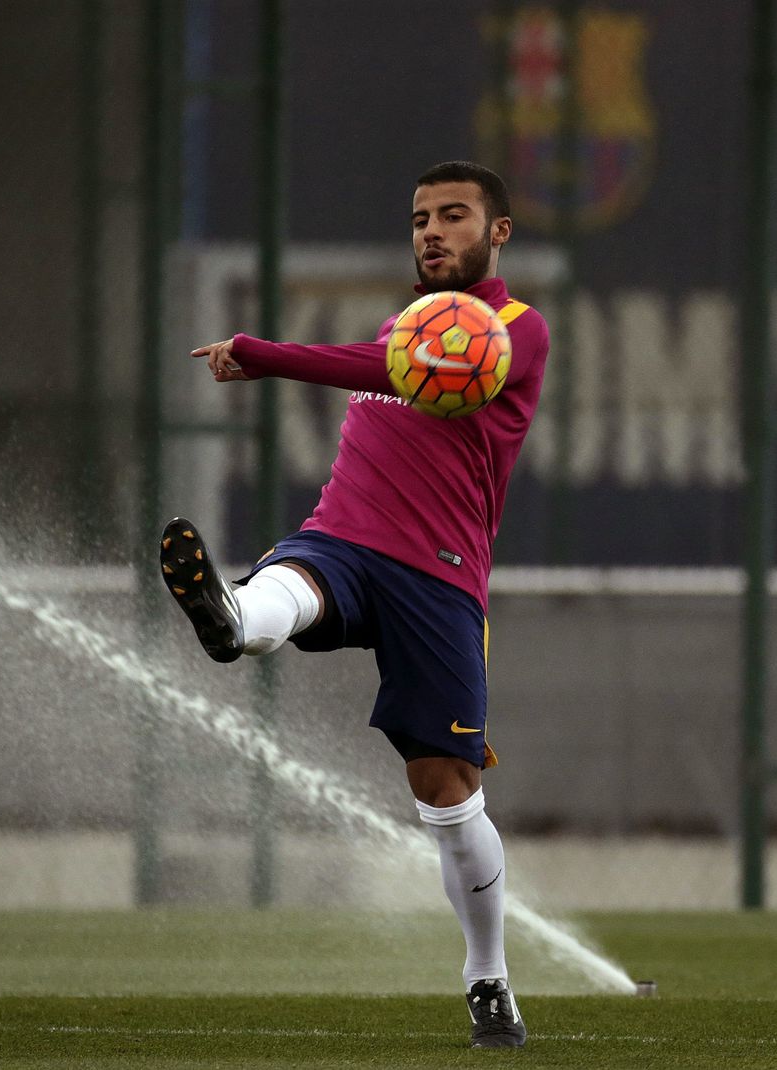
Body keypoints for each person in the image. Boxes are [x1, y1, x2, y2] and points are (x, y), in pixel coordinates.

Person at [160, 160, 547, 1049]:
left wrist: (261, 353)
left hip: (439, 578)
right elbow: (390, 356)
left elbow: (399, 367)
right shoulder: (406, 325)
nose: (431, 231)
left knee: (447, 797)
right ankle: (229, 616)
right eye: (420, 218)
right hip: (346, 538)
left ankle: (487, 977)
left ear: (499, 232)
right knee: (282, 595)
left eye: (454, 215)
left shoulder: (516, 331)